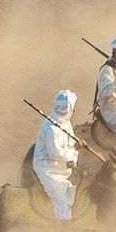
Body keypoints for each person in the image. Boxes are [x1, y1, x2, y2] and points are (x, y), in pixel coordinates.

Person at [32, 89, 79, 220]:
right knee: (62, 204)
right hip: (48, 171)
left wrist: (74, 155)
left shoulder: (66, 123)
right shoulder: (51, 128)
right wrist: (75, 149)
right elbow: (56, 153)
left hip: (62, 170)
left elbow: (70, 146)